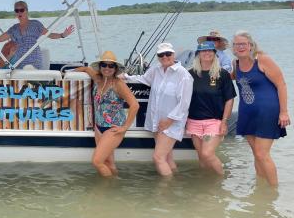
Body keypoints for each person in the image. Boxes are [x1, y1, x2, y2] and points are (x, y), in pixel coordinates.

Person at [123, 43, 193, 176]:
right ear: (158, 57)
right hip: (157, 120)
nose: (164, 57)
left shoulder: (183, 75)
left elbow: (184, 103)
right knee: (167, 157)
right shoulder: (156, 69)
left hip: (171, 123)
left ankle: (165, 191)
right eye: (161, 55)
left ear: (173, 55)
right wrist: (126, 77)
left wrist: (169, 121)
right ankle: (176, 184)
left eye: (168, 54)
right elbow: (143, 79)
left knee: (158, 158)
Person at [232, 30, 290, 186]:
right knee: (256, 155)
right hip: (247, 114)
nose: (240, 47)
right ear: (233, 47)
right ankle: (261, 189)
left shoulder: (263, 60)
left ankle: (273, 191)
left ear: (251, 45)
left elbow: (281, 84)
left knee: (261, 153)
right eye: (237, 44)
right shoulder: (235, 64)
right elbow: (227, 77)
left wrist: (284, 112)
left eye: (243, 44)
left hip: (267, 112)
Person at [75, 51, 139, 177]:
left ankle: (108, 187)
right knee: (108, 161)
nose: (107, 68)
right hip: (99, 127)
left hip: (113, 128)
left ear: (115, 69)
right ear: (100, 66)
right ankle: (114, 186)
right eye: (104, 65)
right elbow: (87, 69)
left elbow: (135, 105)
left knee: (97, 161)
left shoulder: (118, 84)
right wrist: (72, 72)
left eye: (111, 66)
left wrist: (125, 127)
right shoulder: (98, 79)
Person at [186, 41, 236, 175]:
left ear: (215, 54)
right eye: (203, 51)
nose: (207, 53)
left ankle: (222, 180)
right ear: (198, 54)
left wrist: (224, 122)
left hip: (214, 122)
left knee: (207, 153)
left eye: (210, 51)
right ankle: (207, 184)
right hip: (194, 122)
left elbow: (229, 99)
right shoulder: (190, 74)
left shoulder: (222, 74)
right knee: (201, 157)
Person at [0, 1, 74, 69]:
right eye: (17, 10)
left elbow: (50, 35)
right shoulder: (14, 28)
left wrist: (63, 35)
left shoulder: (36, 24)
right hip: (19, 63)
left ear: (26, 11)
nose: (19, 12)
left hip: (34, 61)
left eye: (21, 10)